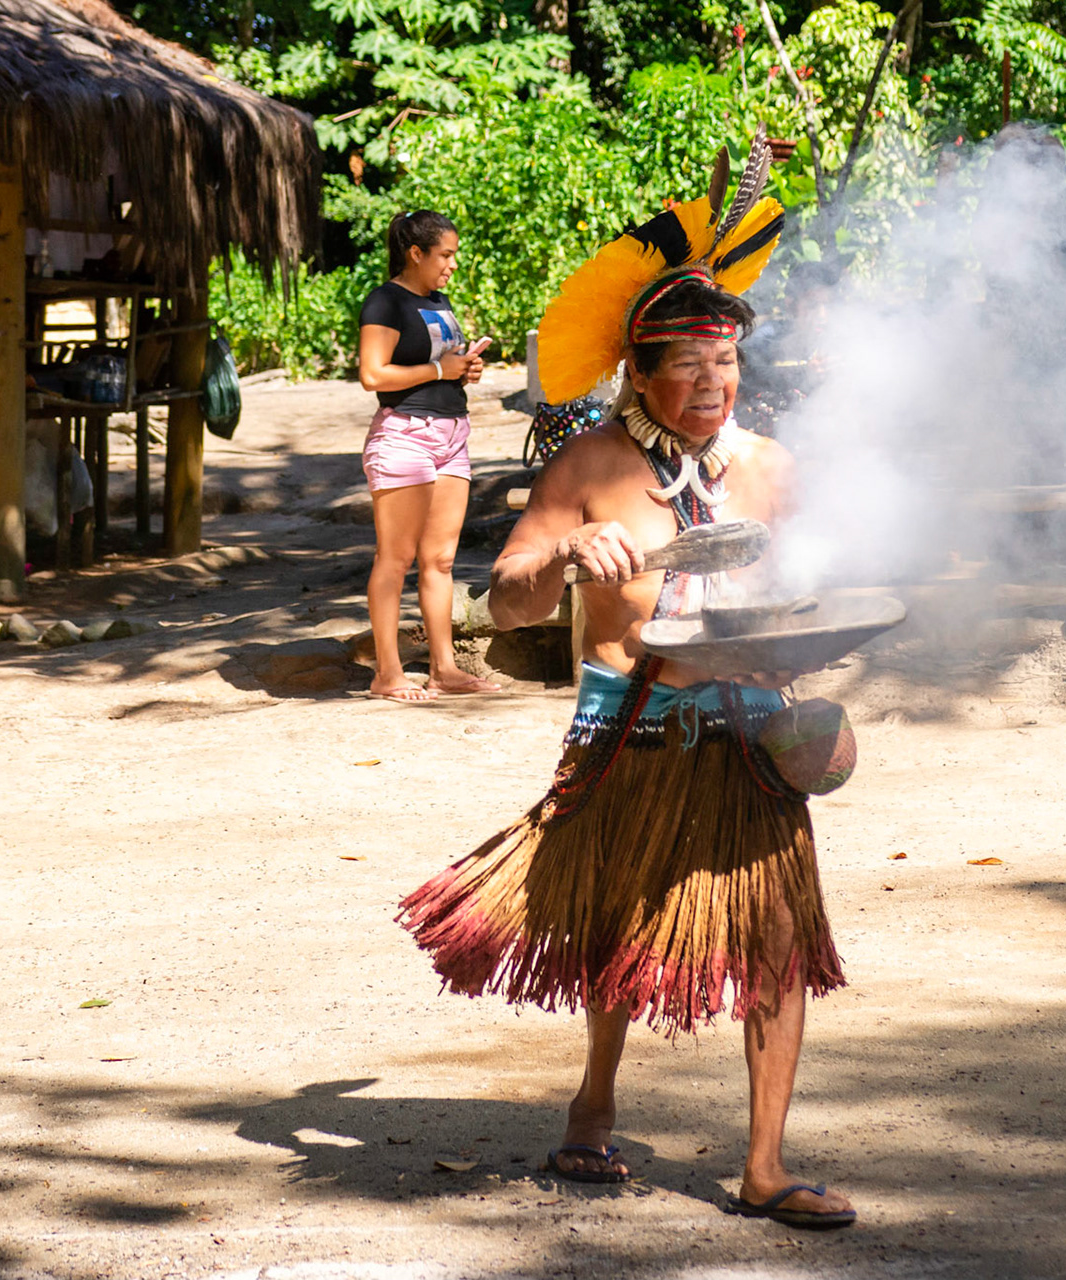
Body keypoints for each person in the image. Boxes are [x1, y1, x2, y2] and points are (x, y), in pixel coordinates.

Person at [398, 144, 856, 1230]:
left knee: (779, 938)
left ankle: (764, 1161)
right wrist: (566, 560)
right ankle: (594, 1100)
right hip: (632, 727)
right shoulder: (591, 465)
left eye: (727, 365)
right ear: (638, 374)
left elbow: (813, 589)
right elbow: (502, 599)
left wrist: (810, 630)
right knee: (615, 923)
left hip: (746, 725)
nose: (714, 386)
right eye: (690, 368)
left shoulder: (771, 468)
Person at [356, 210, 500, 703]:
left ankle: (445, 668)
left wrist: (463, 371)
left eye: (454, 255)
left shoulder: (438, 301)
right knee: (395, 559)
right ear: (415, 254)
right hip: (405, 435)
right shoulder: (385, 301)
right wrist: (440, 368)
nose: (452, 264)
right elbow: (374, 375)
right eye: (445, 255)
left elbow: (437, 366)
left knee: (440, 560)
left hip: (452, 434)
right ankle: (388, 673)